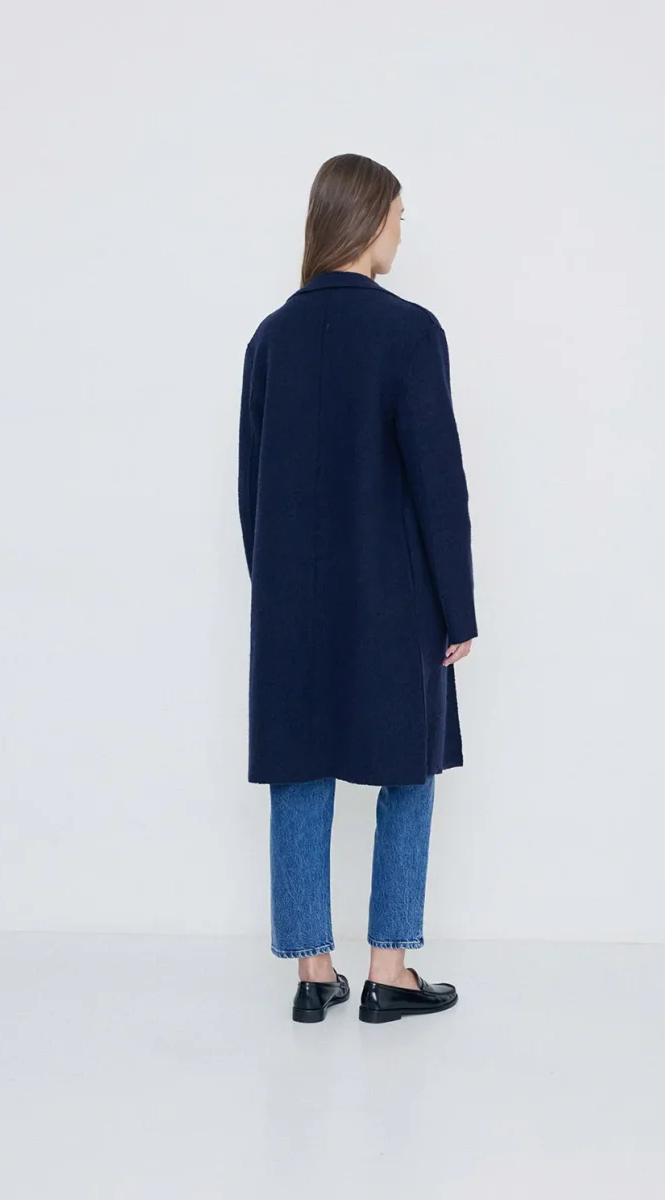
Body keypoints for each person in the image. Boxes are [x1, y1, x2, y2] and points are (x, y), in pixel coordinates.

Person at [237, 153, 477, 1024]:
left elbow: (251, 489)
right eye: (399, 216)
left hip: (292, 606)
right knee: (409, 770)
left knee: (300, 773)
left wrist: (278, 594)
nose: (402, 232)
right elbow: (437, 482)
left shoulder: (271, 337)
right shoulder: (409, 332)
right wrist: (457, 605)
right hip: (394, 601)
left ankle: (312, 973)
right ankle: (388, 971)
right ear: (369, 219)